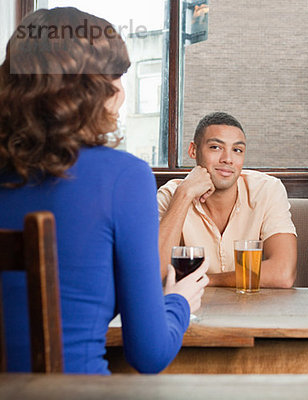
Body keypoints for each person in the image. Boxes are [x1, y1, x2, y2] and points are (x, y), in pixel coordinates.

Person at [0, 7, 208, 374]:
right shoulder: (123, 177)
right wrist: (178, 303)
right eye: (116, 77)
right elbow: (149, 353)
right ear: (92, 88)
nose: (121, 95)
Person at [157, 112, 297, 288]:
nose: (228, 159)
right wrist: (184, 194)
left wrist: (207, 280)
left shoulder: (266, 190)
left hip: (254, 308)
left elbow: (283, 274)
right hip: (194, 309)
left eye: (237, 150)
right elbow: (155, 273)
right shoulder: (171, 195)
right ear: (193, 150)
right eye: (216, 147)